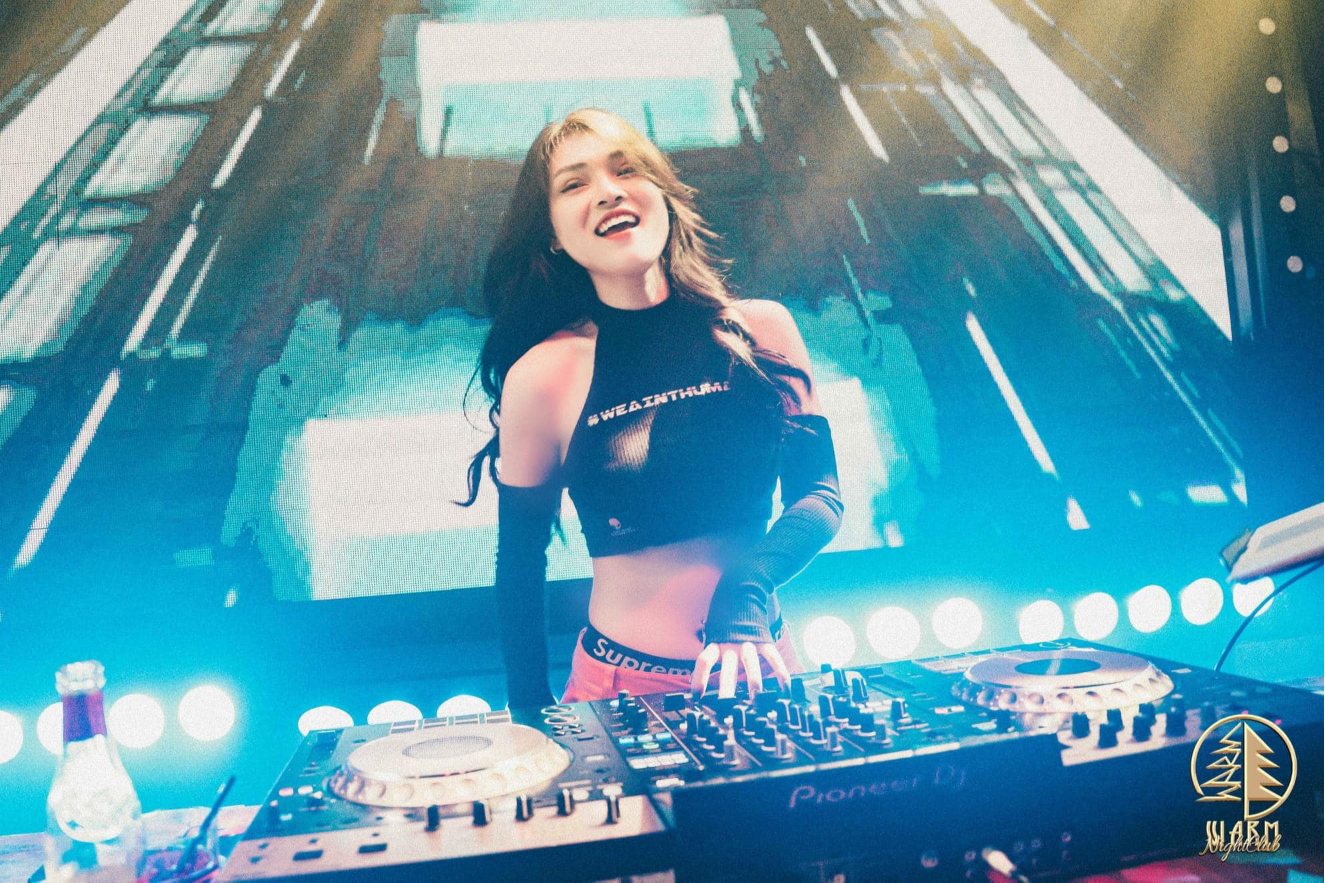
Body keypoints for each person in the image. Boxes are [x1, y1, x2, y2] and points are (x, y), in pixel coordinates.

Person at [462, 108, 843, 708]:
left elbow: (820, 497)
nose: (607, 191)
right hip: (621, 689)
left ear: (661, 192)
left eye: (625, 170)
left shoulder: (763, 331)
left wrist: (745, 589)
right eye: (574, 184)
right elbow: (520, 563)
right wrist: (530, 718)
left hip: (761, 664)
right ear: (553, 235)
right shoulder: (544, 374)